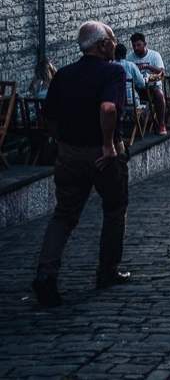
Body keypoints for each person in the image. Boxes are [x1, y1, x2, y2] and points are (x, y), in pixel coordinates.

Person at [32, 21, 130, 307]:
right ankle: (107, 271)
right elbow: (108, 108)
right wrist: (108, 144)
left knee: (64, 215)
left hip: (69, 153)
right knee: (114, 209)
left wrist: (61, 142)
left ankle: (46, 275)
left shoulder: (63, 74)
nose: (115, 44)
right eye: (112, 39)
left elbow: (48, 117)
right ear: (102, 45)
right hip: (102, 155)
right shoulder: (113, 71)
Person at [127, 32, 167, 135]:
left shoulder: (154, 55)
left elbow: (162, 72)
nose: (136, 48)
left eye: (138, 45)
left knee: (159, 94)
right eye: (134, 46)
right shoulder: (130, 57)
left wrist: (147, 66)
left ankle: (161, 124)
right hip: (137, 88)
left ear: (145, 44)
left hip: (152, 88)